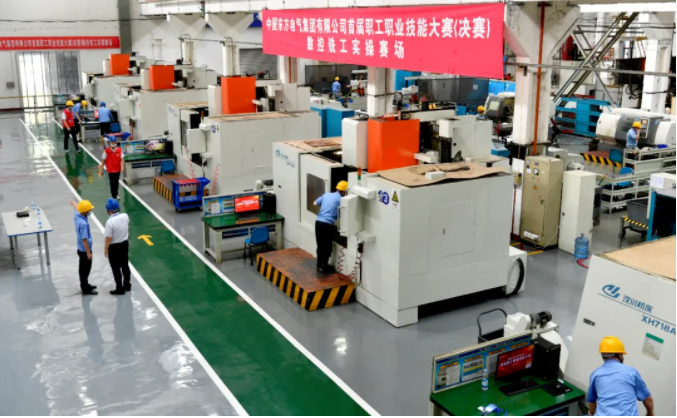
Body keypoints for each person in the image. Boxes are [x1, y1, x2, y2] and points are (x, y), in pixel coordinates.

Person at [587, 336, 654, 416]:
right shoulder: (632, 372)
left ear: (603, 355)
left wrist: (591, 414)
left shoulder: (595, 374)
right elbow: (648, 399)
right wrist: (650, 413)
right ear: (620, 354)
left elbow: (592, 402)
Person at [312, 180, 348, 273]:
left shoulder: (326, 195)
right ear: (344, 191)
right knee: (327, 246)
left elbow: (315, 203)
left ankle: (318, 265)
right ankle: (323, 266)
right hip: (326, 225)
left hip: (318, 222)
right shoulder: (342, 200)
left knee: (320, 244)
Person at [104, 198, 131, 295]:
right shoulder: (125, 216)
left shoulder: (109, 222)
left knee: (116, 268)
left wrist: (106, 249)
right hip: (124, 244)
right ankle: (127, 285)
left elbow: (108, 238)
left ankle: (119, 288)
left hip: (114, 247)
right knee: (125, 265)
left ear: (108, 210)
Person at [71, 200, 98, 295]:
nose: (90, 211)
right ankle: (85, 289)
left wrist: (73, 203)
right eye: (89, 210)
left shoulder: (78, 215)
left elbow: (76, 208)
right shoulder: (83, 224)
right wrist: (88, 253)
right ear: (85, 211)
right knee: (85, 270)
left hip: (81, 249)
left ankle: (86, 284)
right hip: (84, 250)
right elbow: (84, 239)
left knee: (85, 269)